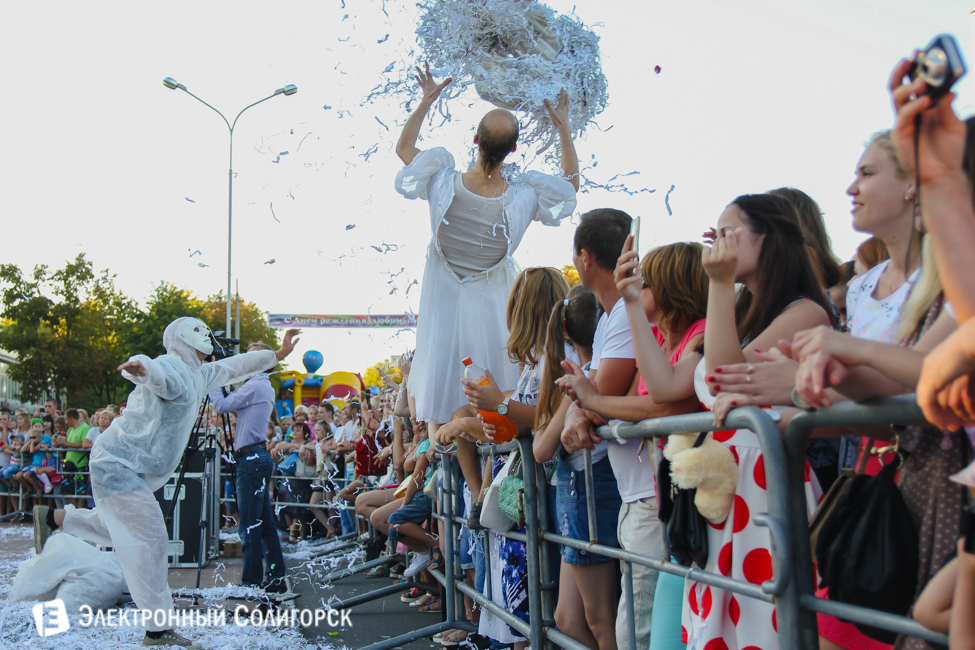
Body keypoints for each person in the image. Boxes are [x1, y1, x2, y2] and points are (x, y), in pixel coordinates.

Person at [32, 319, 299, 649]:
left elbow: (236, 365)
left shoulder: (201, 375)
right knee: (151, 537)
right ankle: (157, 631)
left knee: (121, 526)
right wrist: (138, 369)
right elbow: (154, 370)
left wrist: (279, 353)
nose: (206, 336)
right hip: (118, 463)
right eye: (198, 331)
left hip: (129, 464)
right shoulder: (172, 367)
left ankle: (53, 518)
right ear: (183, 338)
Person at [393, 62, 579, 438]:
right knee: (497, 366)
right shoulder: (525, 195)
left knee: (443, 369)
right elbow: (571, 185)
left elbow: (404, 149)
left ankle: (445, 457)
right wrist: (563, 130)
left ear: (474, 140)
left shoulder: (443, 179)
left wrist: (427, 100)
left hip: (443, 289)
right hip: (492, 293)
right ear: (513, 148)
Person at [686, 193, 830, 650]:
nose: (719, 241)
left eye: (730, 231)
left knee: (761, 624)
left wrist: (720, 283)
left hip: (768, 487)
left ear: (768, 239)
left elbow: (723, 376)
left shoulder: (806, 310)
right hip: (737, 487)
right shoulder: (749, 311)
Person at [558, 239, 709, 650]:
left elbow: (661, 401)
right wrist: (584, 401)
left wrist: (591, 400)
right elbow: (626, 402)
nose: (635, 294)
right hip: (652, 498)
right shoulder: (659, 340)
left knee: (636, 634)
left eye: (643, 286)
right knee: (644, 630)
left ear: (669, 288)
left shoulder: (699, 336)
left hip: (669, 500)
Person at [208, 339, 291, 586]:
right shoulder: (258, 385)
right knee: (263, 523)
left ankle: (251, 582)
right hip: (255, 458)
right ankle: (275, 576)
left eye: (252, 357)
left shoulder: (256, 385)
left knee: (250, 526)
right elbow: (233, 406)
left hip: (251, 460)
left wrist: (213, 377)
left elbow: (221, 405)